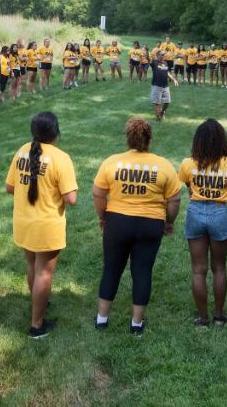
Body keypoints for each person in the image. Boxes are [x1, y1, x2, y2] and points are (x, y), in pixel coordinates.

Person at [92, 117, 181, 335]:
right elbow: (175, 199)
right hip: (150, 224)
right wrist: (169, 222)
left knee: (112, 268)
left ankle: (102, 319)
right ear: (149, 139)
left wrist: (103, 217)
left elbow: (98, 193)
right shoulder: (163, 165)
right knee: (142, 271)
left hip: (117, 222)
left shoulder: (112, 162)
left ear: (128, 139)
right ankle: (136, 324)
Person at [5, 112, 78, 339]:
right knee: (44, 272)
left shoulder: (21, 151)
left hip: (24, 221)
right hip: (46, 225)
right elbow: (71, 199)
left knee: (33, 265)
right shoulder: (60, 158)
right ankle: (37, 325)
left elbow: (10, 187)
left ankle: (39, 303)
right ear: (55, 133)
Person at [179, 119, 227, 327]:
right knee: (220, 268)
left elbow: (188, 185)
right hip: (219, 211)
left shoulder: (188, 164)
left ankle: (203, 318)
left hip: (195, 211)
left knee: (198, 269)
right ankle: (219, 316)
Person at [150, 50, 181, 122]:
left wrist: (174, 80)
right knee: (157, 102)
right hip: (156, 85)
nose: (163, 56)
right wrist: (147, 52)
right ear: (157, 56)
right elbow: (149, 59)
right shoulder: (154, 62)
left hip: (165, 85)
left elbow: (167, 72)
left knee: (167, 102)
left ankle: (161, 112)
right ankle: (158, 118)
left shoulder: (165, 63)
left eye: (163, 55)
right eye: (161, 55)